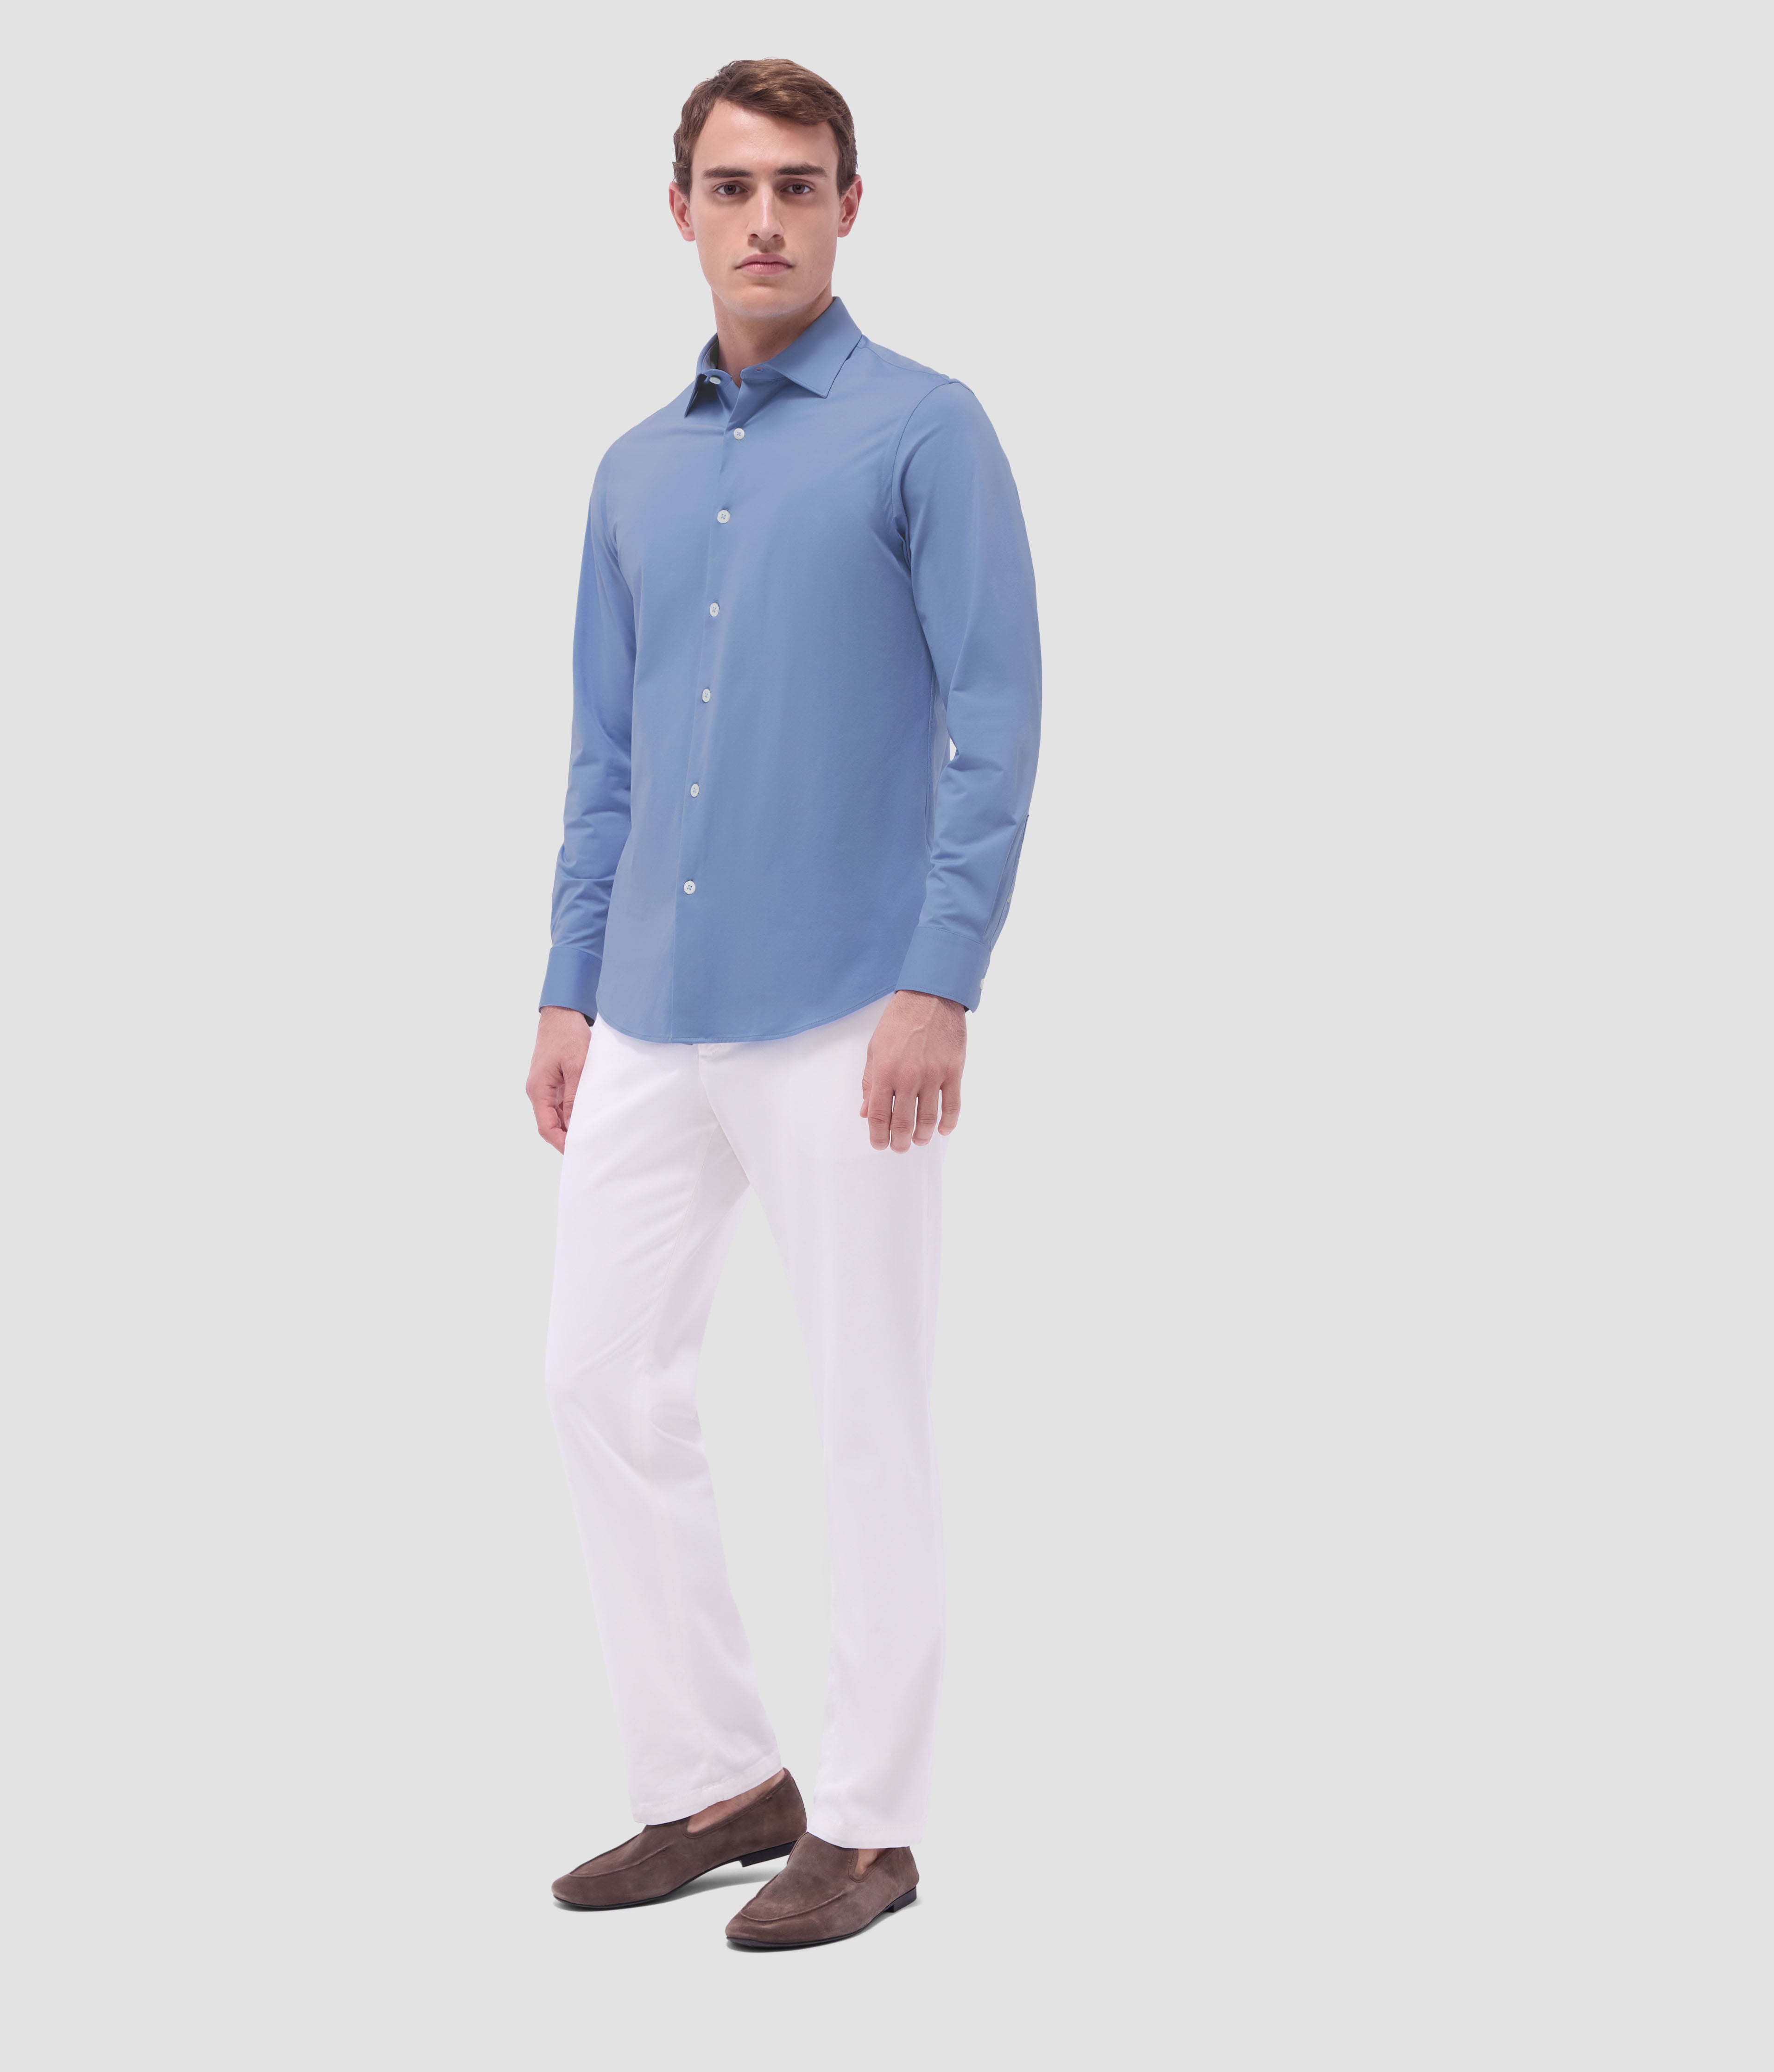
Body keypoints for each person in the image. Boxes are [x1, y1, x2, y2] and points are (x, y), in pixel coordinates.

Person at [524, 57, 1042, 1952]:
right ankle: (717, 1780)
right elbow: (603, 756)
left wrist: (939, 977)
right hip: (651, 1010)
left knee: (861, 1409)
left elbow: (996, 721)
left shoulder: (927, 432)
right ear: (679, 211)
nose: (764, 219)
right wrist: (567, 983)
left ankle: (872, 1823)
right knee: (595, 1376)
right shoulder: (632, 471)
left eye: (798, 185)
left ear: (847, 207)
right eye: (731, 186)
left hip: (848, 1011)